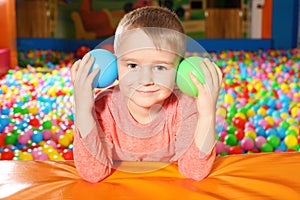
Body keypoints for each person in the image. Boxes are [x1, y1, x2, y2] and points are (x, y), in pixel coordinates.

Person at [71, 6, 222, 183]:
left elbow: (194, 171)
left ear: (179, 70)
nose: (145, 79)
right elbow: (93, 173)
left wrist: (206, 114)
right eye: (133, 65)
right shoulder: (104, 107)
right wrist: (82, 111)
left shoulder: (185, 105)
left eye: (160, 67)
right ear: (115, 66)